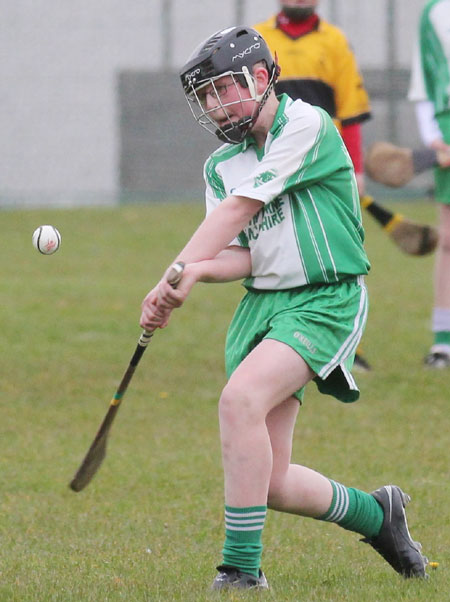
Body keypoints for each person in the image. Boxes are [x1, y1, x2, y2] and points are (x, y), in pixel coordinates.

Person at [140, 26, 428, 590]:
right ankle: (380, 516)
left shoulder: (306, 124)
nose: (216, 104)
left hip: (324, 298)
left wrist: (168, 275)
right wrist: (195, 271)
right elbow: (241, 253)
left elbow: (238, 210)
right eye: (207, 96)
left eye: (224, 88)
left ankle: (240, 574)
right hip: (264, 309)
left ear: (261, 75)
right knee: (268, 482)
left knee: (239, 401)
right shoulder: (221, 165)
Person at [254, 0, 372, 371]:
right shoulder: (257, 39)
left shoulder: (335, 41)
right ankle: (275, 337)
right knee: (274, 249)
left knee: (335, 251)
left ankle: (341, 340)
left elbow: (350, 110)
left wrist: (355, 169)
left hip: (322, 168)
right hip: (274, 166)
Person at [408, 0, 450, 368]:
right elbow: (426, 77)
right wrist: (434, 135)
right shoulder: (434, 12)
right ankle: (444, 342)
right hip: (448, 127)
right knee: (449, 239)